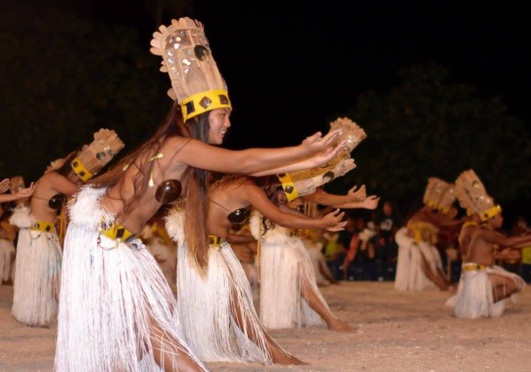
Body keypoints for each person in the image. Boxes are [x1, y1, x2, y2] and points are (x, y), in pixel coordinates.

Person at [54, 17, 346, 372]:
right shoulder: (178, 147)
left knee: (145, 325)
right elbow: (247, 161)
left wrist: (309, 161)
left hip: (116, 244)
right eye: (223, 115)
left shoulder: (183, 154)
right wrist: (305, 153)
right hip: (101, 244)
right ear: (200, 113)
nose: (227, 123)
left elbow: (249, 168)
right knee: (154, 327)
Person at [166, 173, 346, 366]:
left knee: (237, 303)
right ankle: (275, 353)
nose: (285, 200)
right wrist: (321, 224)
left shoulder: (246, 187)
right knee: (238, 304)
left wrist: (320, 221)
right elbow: (281, 217)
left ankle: (273, 351)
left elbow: (283, 211)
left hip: (214, 247)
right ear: (274, 186)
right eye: (283, 195)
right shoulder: (248, 188)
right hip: (204, 249)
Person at [9, 130, 123, 328]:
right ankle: (69, 316)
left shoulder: (54, 179)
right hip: (39, 236)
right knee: (55, 277)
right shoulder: (54, 179)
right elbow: (80, 192)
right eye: (77, 175)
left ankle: (57, 314)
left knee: (53, 276)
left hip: (41, 236)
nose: (77, 179)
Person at [250, 184, 378, 332]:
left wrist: (358, 203)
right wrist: (351, 200)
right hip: (276, 246)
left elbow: (321, 200)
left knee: (303, 283)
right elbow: (320, 199)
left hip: (286, 243)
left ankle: (328, 320)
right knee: (303, 284)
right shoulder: (273, 188)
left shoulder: (287, 189)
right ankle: (331, 321)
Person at [447, 171, 531, 319]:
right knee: (514, 284)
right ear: (491, 219)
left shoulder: (488, 232)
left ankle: (479, 304)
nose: (502, 219)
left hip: (482, 271)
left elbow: (512, 245)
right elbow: (508, 242)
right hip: (476, 274)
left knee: (514, 283)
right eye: (499, 216)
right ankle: (480, 305)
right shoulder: (484, 231)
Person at [394, 177, 463, 292]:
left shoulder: (428, 215)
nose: (437, 206)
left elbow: (442, 222)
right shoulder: (421, 215)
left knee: (433, 257)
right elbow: (441, 222)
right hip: (411, 242)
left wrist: (458, 220)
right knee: (427, 260)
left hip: (420, 242)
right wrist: (459, 220)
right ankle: (443, 285)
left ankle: (445, 283)